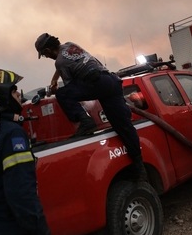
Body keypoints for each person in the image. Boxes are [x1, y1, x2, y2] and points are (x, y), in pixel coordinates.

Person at [35, 32, 148, 181]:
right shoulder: (70, 45)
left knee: (63, 94)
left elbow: (71, 86)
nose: (46, 57)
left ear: (48, 51)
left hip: (95, 84)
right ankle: (140, 167)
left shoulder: (60, 62)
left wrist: (55, 89)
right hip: (111, 82)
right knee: (123, 126)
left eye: (44, 55)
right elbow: (67, 62)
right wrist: (55, 77)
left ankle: (85, 122)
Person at [0, 69, 51, 235]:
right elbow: (21, 195)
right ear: (1, 96)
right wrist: (42, 233)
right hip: (11, 232)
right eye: (13, 91)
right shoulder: (11, 134)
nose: (18, 95)